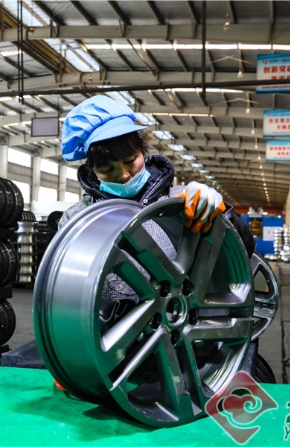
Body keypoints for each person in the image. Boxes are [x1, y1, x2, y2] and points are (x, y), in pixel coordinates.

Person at [58, 95, 255, 326]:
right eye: (108, 169)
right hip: (115, 337)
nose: (123, 175)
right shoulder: (78, 218)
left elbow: (243, 251)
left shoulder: (182, 201)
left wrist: (224, 217)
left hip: (189, 331)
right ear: (91, 169)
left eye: (130, 160)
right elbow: (66, 288)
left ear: (143, 152)